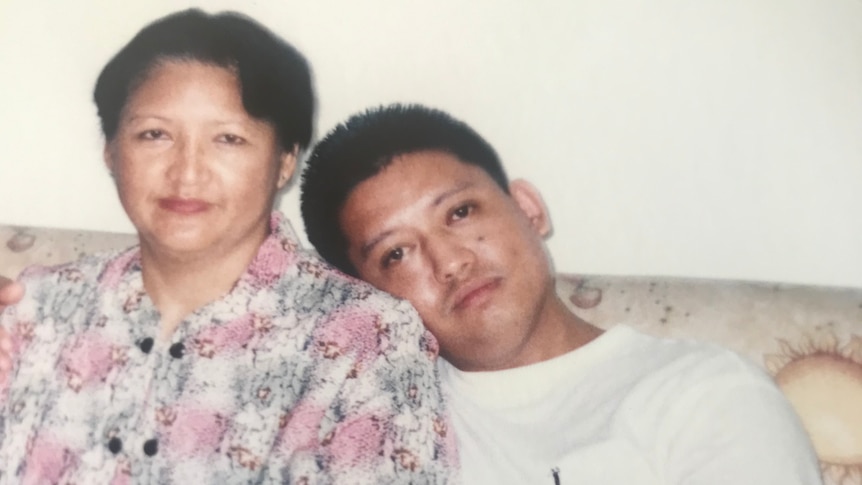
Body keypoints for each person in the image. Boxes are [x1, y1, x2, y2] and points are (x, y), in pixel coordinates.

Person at [0, 12, 455, 484]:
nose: (187, 172)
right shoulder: (37, 308)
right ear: (111, 150)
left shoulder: (368, 339)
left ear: (283, 163)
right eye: (155, 134)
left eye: (228, 139)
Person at [299, 104, 823, 484]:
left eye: (460, 213)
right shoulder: (370, 434)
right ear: (367, 297)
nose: (452, 263)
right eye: (397, 254)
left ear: (528, 208)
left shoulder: (702, 396)